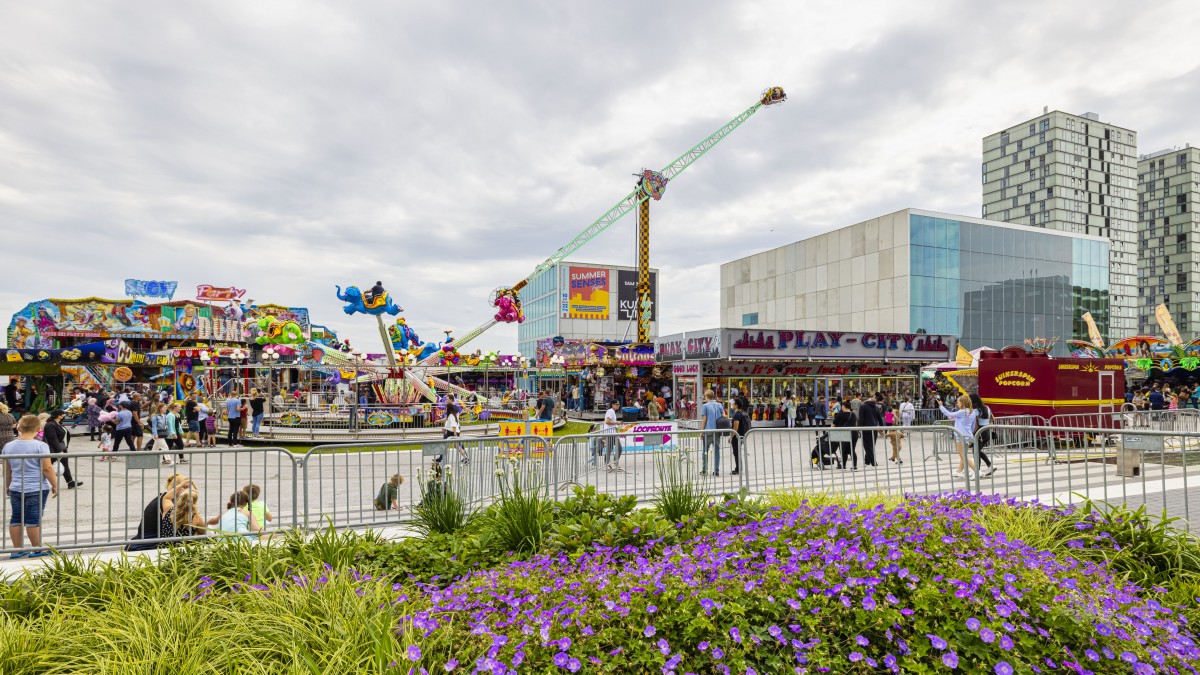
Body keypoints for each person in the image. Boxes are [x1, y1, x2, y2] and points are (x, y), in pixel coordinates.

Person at [4, 414, 59, 558]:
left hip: (16, 487)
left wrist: (8, 485)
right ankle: (36, 548)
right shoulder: (40, 446)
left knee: (16, 518)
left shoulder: (8, 446)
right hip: (36, 487)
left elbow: (8, 469)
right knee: (34, 519)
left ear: (18, 427)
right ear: (38, 429)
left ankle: (17, 549)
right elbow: (47, 468)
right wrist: (55, 484)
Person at [939, 394, 978, 478]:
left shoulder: (962, 412)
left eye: (958, 402)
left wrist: (941, 405)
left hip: (960, 435)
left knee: (963, 456)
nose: (957, 403)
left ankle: (977, 471)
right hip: (968, 435)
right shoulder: (972, 412)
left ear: (963, 403)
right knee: (963, 455)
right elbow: (973, 425)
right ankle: (960, 471)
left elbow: (948, 413)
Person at [43, 410, 82, 489]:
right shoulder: (50, 425)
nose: (64, 415)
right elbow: (52, 439)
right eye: (63, 414)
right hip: (54, 449)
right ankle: (44, 483)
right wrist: (59, 450)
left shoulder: (58, 423)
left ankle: (70, 482)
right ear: (58, 415)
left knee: (65, 465)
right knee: (50, 467)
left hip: (61, 447)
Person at [968, 393, 997, 477]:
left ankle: (977, 471)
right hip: (986, 431)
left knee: (976, 452)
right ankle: (989, 466)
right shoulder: (987, 407)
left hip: (979, 432)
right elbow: (992, 418)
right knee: (977, 451)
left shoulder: (975, 410)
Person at [700, 390, 725, 477]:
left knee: (705, 450)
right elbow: (723, 416)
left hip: (708, 430)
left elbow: (704, 419)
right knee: (717, 450)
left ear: (706, 397)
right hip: (717, 431)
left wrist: (701, 431)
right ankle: (716, 470)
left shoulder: (705, 406)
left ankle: (704, 469)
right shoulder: (719, 405)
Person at [856, 394, 884, 467]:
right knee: (871, 446)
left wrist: (859, 429)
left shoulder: (862, 407)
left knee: (867, 446)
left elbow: (861, 419)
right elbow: (880, 418)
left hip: (866, 429)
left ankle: (873, 463)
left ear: (863, 401)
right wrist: (882, 427)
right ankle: (867, 461)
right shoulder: (875, 407)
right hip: (874, 429)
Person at [832, 398, 858, 470]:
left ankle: (843, 466)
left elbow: (833, 424)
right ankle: (855, 466)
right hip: (854, 434)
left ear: (843, 406)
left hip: (844, 434)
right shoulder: (853, 414)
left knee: (843, 450)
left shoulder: (840, 414)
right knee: (852, 450)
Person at [730, 399, 750, 476]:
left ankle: (738, 468)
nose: (732, 405)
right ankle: (739, 467)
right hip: (742, 435)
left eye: (733, 404)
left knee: (736, 452)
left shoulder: (737, 415)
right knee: (737, 452)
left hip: (737, 436)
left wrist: (731, 436)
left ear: (736, 405)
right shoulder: (742, 413)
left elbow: (735, 428)